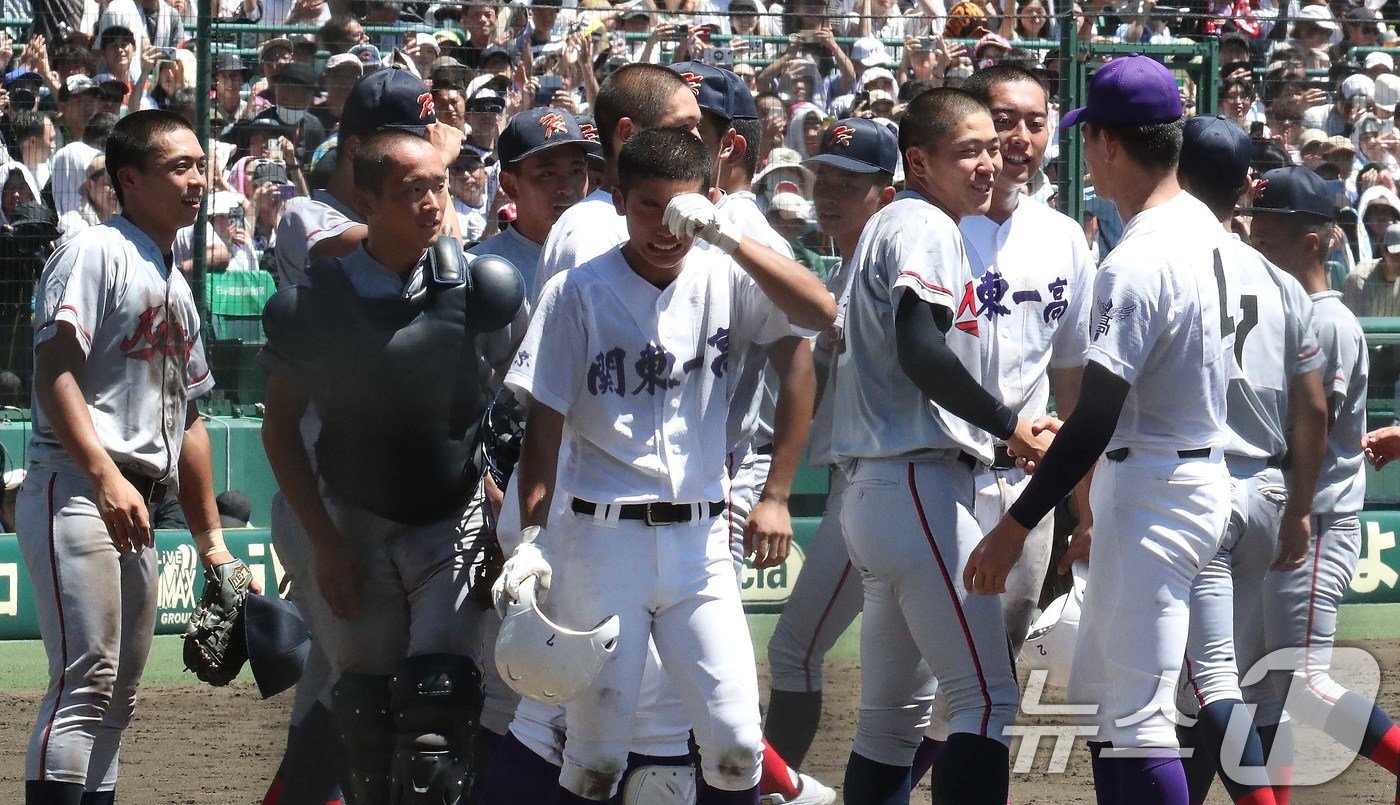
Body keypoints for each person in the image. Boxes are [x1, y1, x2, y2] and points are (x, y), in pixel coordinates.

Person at [495, 125, 834, 805]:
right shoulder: (577, 292)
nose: (665, 225)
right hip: (599, 542)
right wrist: (532, 537)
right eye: (647, 205)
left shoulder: (725, 273)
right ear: (618, 199)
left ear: (708, 199)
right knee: (593, 755)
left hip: (700, 545)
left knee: (736, 741)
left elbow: (820, 312)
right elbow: (543, 430)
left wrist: (729, 236)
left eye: (680, 207)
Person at [966, 54, 1234, 803]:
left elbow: (1099, 413)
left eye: (1090, 137)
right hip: (1182, 465)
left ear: (1109, 143)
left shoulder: (1138, 256)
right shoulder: (1205, 228)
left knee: (1136, 719)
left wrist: (1018, 523)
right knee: (1114, 711)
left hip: (1155, 485)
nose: (1086, 151)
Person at [260, 128, 524, 804]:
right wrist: (323, 542)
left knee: (438, 714)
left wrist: (501, 503)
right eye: (415, 191)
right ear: (368, 201)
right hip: (354, 522)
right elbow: (281, 429)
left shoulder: (483, 287)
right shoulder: (315, 306)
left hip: (452, 520)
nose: (436, 202)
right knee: (369, 724)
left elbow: (516, 402)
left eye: (440, 185)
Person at [18, 109, 257, 805]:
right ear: (129, 178)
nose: (197, 177)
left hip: (139, 501)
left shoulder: (176, 281)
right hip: (76, 483)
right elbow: (53, 368)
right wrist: (102, 474)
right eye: (178, 166)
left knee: (119, 693)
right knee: (84, 679)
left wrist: (213, 544)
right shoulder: (95, 250)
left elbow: (190, 417)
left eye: (199, 164)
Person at [832, 87, 1051, 804]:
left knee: (889, 726)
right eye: (970, 150)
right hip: (919, 485)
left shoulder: (899, 220)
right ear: (920, 160)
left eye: (993, 147)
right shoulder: (925, 223)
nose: (990, 162)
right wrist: (1006, 421)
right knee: (986, 701)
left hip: (880, 492)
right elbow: (920, 348)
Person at [1172, 116, 1329, 805]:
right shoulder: (1283, 282)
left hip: (1190, 487)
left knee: (1207, 682)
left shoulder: (1159, 258)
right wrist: (1298, 509)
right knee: (1208, 683)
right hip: (1265, 491)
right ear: (1246, 188)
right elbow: (1314, 413)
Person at [1247, 165, 1400, 803]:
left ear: (1312, 240)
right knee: (1262, 690)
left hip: (1313, 522)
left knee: (1304, 685)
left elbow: (1313, 423)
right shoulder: (1286, 309)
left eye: (1269, 230)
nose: (1255, 240)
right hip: (1280, 521)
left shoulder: (1328, 321)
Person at [763, 116, 897, 770]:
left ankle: (773, 787)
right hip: (867, 476)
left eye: (851, 182)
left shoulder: (888, 267)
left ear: (886, 195)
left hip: (879, 480)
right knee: (931, 681)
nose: (830, 193)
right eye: (824, 178)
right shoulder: (841, 269)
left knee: (794, 650)